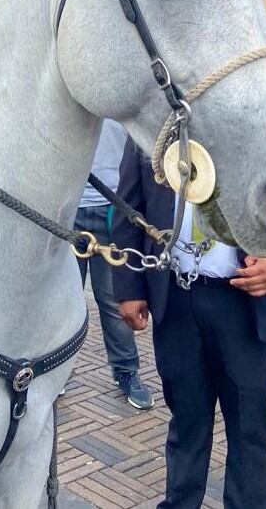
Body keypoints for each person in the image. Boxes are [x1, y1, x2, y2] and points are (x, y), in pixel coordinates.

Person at [112, 140, 266, 509]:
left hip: (247, 305)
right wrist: (128, 287)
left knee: (250, 426)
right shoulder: (155, 122)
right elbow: (128, 208)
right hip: (177, 301)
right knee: (186, 420)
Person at [73, 119, 154, 410]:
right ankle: (56, 371)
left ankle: (126, 371)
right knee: (62, 300)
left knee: (113, 299)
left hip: (113, 207)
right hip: (68, 209)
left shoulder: (121, 101)